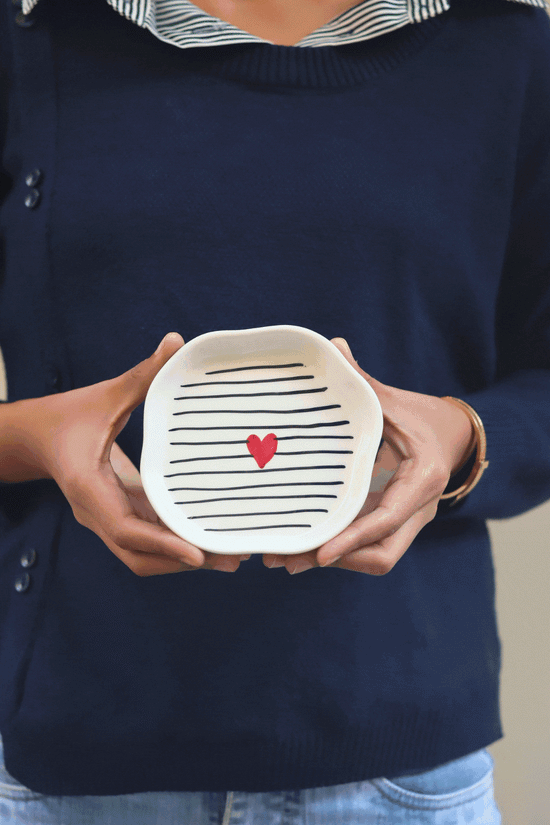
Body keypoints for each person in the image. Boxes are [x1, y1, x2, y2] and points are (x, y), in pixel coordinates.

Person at [0, 0, 549, 821]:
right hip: (76, 758)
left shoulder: (510, 53)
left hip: (398, 767)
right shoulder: (29, 34)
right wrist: (38, 439)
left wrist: (463, 438)